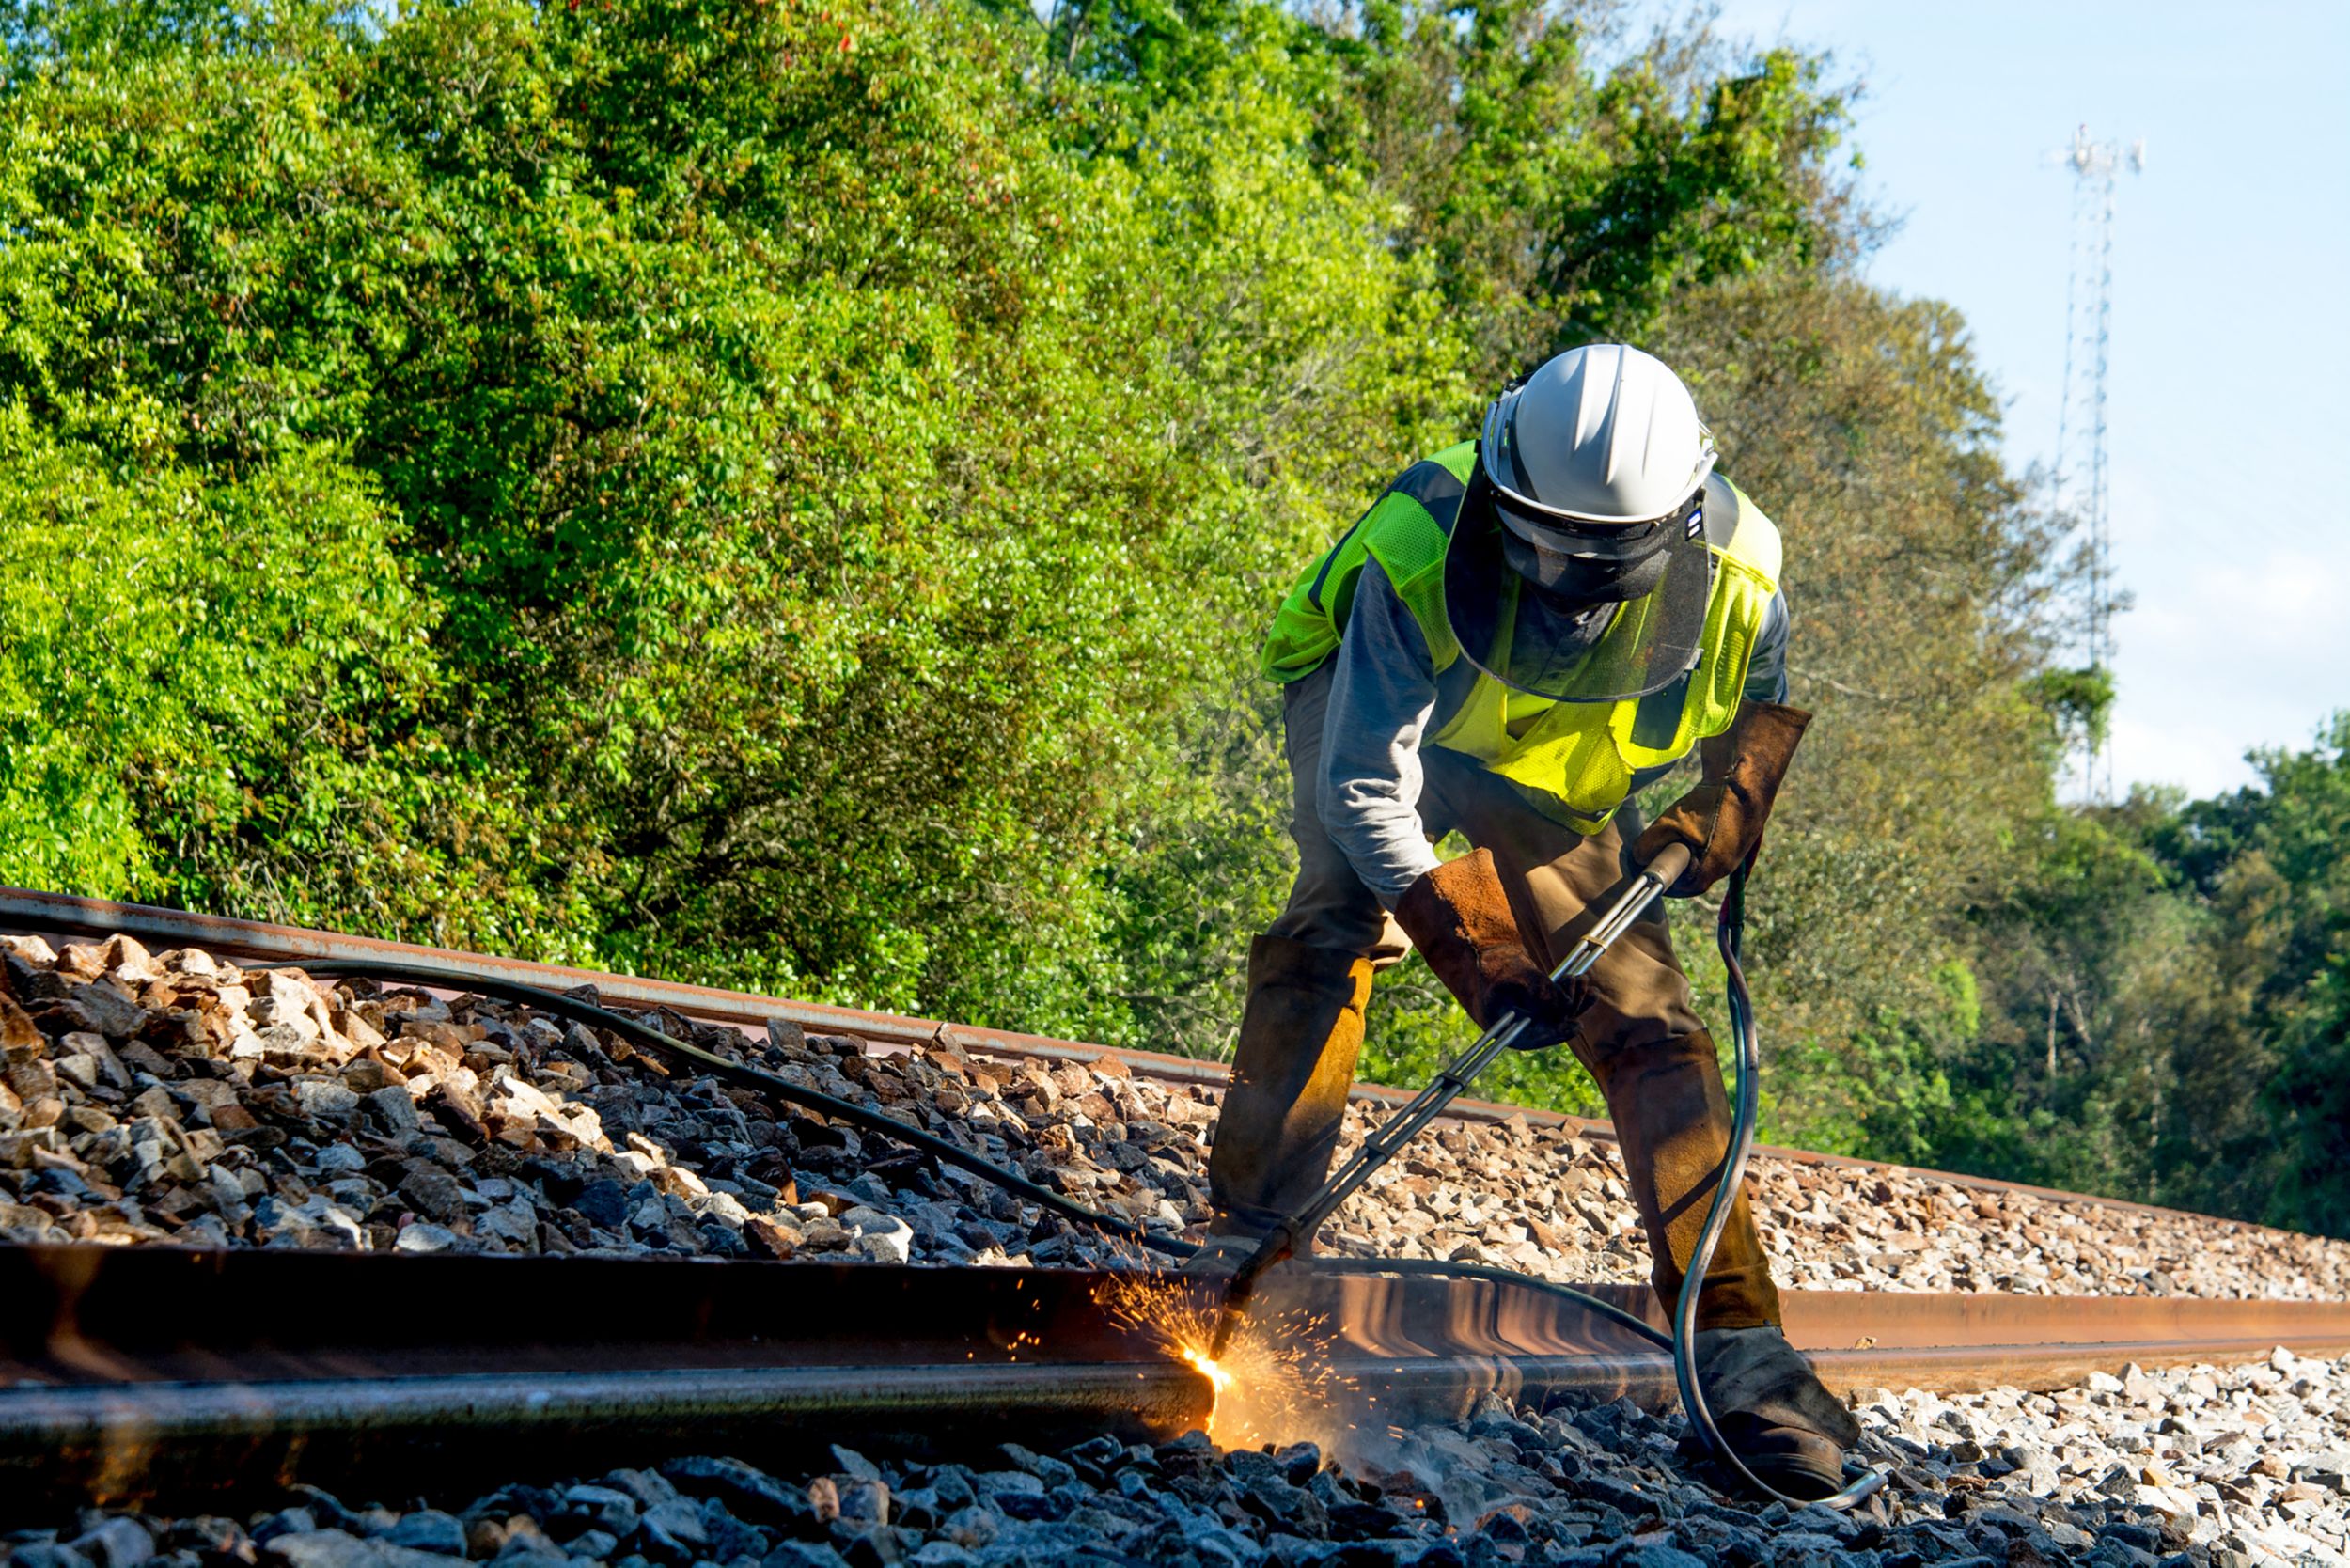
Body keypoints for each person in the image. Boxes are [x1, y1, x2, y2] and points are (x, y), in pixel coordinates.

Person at [1198, 343, 1859, 1497]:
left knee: (1649, 1020)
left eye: (1596, 558)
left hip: (1545, 782)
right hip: (1374, 715)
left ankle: (1744, 1356)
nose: (1559, 573)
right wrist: (1466, 937)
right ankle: (1245, 1242)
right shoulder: (1417, 552)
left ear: (1678, 522)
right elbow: (1365, 784)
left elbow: (1753, 718)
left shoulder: (1745, 574)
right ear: (1504, 484)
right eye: (1538, 540)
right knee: (1333, 920)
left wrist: (1728, 805)